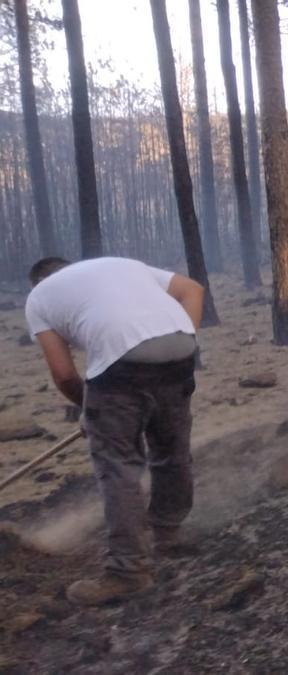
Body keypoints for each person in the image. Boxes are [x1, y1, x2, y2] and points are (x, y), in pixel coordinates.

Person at [24, 256, 205, 606]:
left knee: (118, 467)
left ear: (39, 283)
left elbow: (62, 374)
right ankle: (168, 534)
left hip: (122, 364)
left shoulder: (39, 298)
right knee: (171, 451)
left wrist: (91, 411)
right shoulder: (118, 264)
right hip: (181, 350)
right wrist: (185, 347)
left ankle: (127, 572)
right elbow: (193, 290)